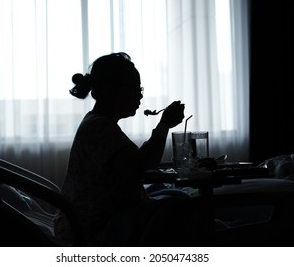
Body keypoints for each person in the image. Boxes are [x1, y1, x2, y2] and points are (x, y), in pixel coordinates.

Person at [54, 52, 207, 246]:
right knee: (180, 210)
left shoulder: (99, 123)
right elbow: (139, 166)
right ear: (109, 91)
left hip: (90, 221)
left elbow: (132, 162)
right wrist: (164, 125)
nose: (141, 95)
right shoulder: (99, 128)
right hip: (92, 230)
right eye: (135, 88)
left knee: (176, 200)